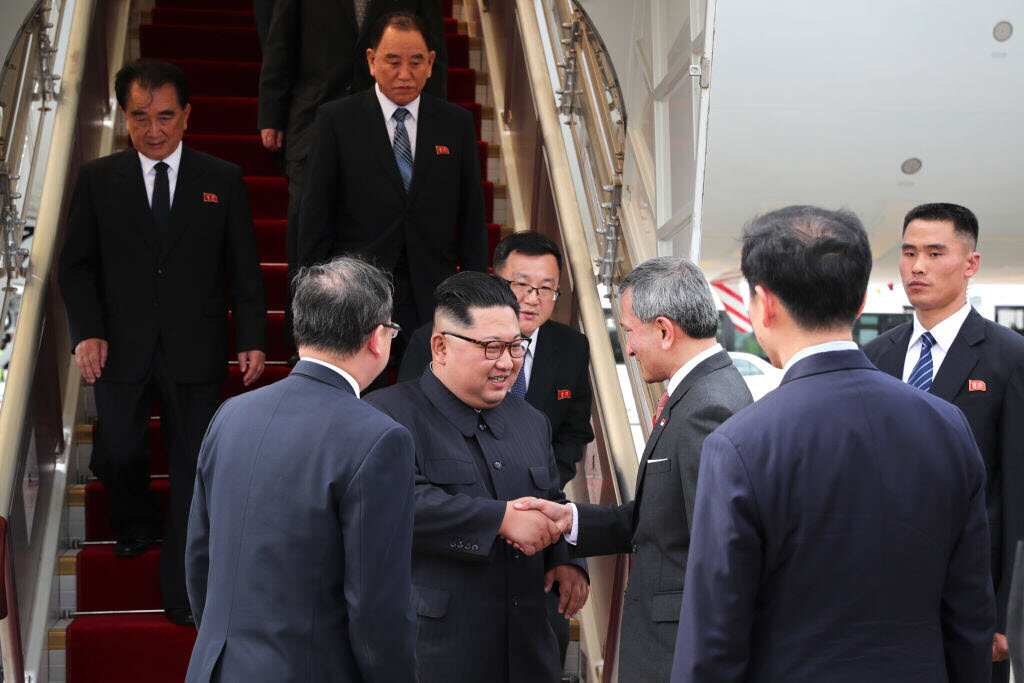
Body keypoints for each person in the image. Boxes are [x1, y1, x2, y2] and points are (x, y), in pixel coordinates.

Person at [671, 206, 994, 682]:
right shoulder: (948, 426)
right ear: (860, 300)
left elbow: (713, 639)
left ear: (765, 304)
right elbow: (970, 617)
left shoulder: (741, 445)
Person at [58, 59, 266, 626]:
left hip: (194, 349)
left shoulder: (220, 179)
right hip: (119, 349)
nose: (154, 130)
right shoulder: (98, 180)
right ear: (125, 116)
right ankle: (132, 522)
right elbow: (75, 268)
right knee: (119, 451)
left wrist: (251, 336)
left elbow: (244, 269)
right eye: (140, 117)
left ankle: (184, 590)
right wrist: (89, 331)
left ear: (188, 116)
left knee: (191, 467)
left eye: (167, 117)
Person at [514, 256, 752, 680]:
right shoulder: (699, 394)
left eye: (628, 331)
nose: (629, 347)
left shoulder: (707, 407)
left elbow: (721, 555)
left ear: (663, 330)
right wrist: (569, 520)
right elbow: (661, 518)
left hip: (680, 653)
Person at [185, 257, 417, 682]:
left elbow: (199, 559)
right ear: (376, 338)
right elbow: (376, 606)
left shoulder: (230, 414)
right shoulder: (380, 438)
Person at [365, 271, 588, 682]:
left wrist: (567, 560)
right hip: (439, 649)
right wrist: (498, 519)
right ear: (441, 346)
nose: (507, 362)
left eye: (515, 346)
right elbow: (399, 506)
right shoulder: (386, 416)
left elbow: (551, 496)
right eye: (491, 348)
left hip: (528, 645)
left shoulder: (532, 422)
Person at [863, 202, 1024, 682]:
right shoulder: (875, 355)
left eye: (935, 253)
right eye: (909, 252)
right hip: (877, 596)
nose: (917, 266)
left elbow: (1017, 491)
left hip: (970, 599)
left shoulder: (1009, 358)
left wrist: (1007, 613)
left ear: (970, 264)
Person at [259, 3, 447, 347]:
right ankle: (308, 334)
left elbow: (431, 40)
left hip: (387, 117)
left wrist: (434, 122)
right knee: (308, 224)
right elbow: (281, 41)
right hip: (314, 118)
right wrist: (271, 110)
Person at [298, 12, 486, 345]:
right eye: (393, 61)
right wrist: (313, 294)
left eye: (415, 62)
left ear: (430, 63)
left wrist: (474, 299)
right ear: (371, 61)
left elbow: (471, 218)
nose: (404, 74)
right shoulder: (337, 121)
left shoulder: (455, 124)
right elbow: (315, 216)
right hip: (357, 293)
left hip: (432, 293)